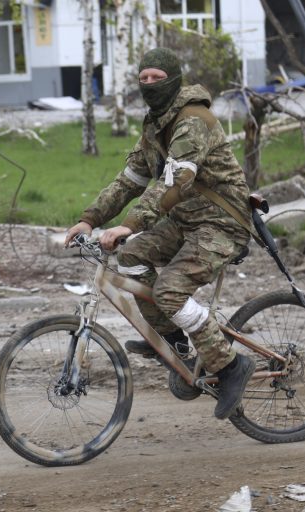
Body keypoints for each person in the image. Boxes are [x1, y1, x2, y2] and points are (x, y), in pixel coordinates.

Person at [64, 48, 255, 420]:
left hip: (221, 222)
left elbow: (177, 182)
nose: (149, 84)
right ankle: (173, 342)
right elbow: (130, 180)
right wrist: (90, 219)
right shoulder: (155, 126)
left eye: (157, 78)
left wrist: (129, 225)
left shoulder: (192, 120)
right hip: (186, 221)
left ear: (174, 80)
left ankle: (231, 367)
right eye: (143, 78)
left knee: (169, 290)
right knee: (131, 259)